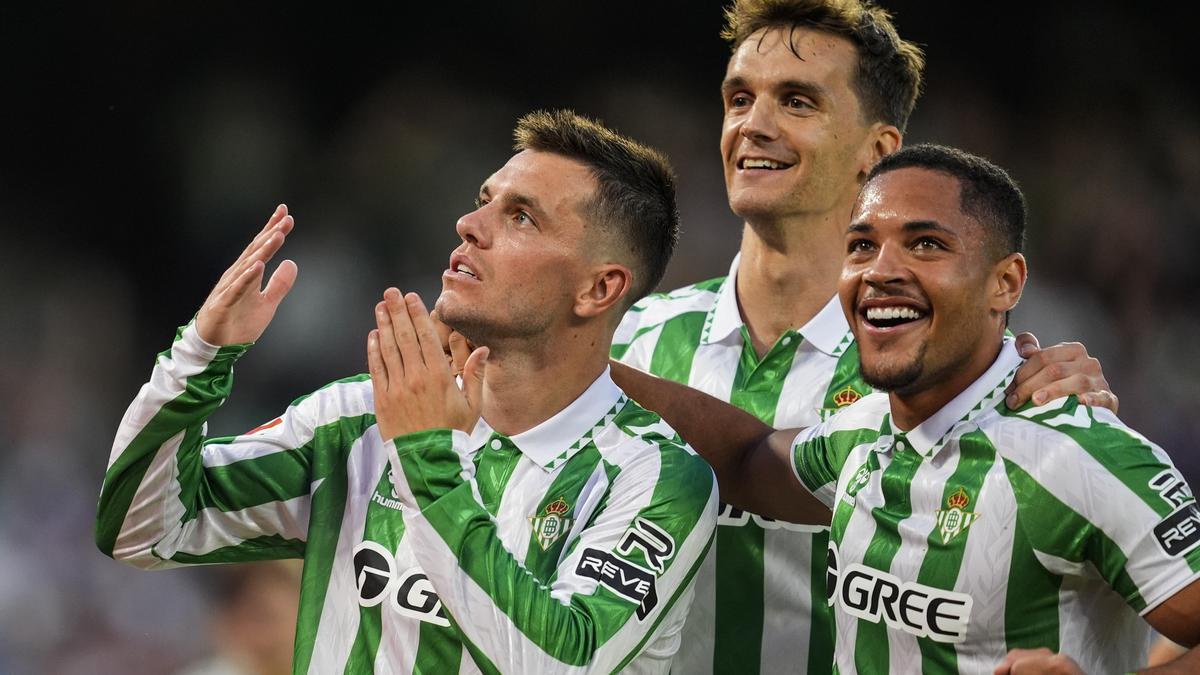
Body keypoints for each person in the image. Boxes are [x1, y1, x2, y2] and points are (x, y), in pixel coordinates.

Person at [95, 110, 718, 673]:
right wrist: (200, 357)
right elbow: (141, 528)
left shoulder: (654, 477)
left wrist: (426, 462)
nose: (469, 225)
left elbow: (556, 666)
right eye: (484, 201)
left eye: (521, 216)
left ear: (599, 289)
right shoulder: (356, 421)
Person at [610, 1, 1115, 673]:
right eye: (739, 98)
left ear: (877, 152)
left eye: (796, 102)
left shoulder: (965, 378)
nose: (753, 125)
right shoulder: (630, 341)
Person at [614, 144, 1200, 673]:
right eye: (862, 245)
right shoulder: (862, 434)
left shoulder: (1077, 455)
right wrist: (572, 362)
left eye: (926, 245)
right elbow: (745, 460)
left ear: (1006, 283)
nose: (881, 271)